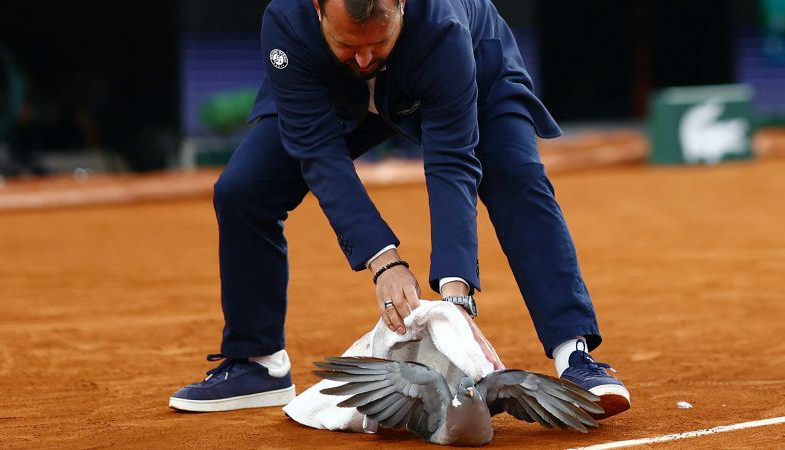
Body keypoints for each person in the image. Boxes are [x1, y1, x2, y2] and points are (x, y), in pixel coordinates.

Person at [169, 0, 631, 419]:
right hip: (335, 94)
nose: (366, 59)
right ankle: (257, 362)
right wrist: (383, 262)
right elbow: (320, 155)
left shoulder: (442, 26)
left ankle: (575, 356)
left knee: (516, 177)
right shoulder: (286, 23)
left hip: (468, 72)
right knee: (244, 189)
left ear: (403, 6)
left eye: (379, 42)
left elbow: (452, 160)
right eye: (348, 44)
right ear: (317, 10)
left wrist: (455, 296)